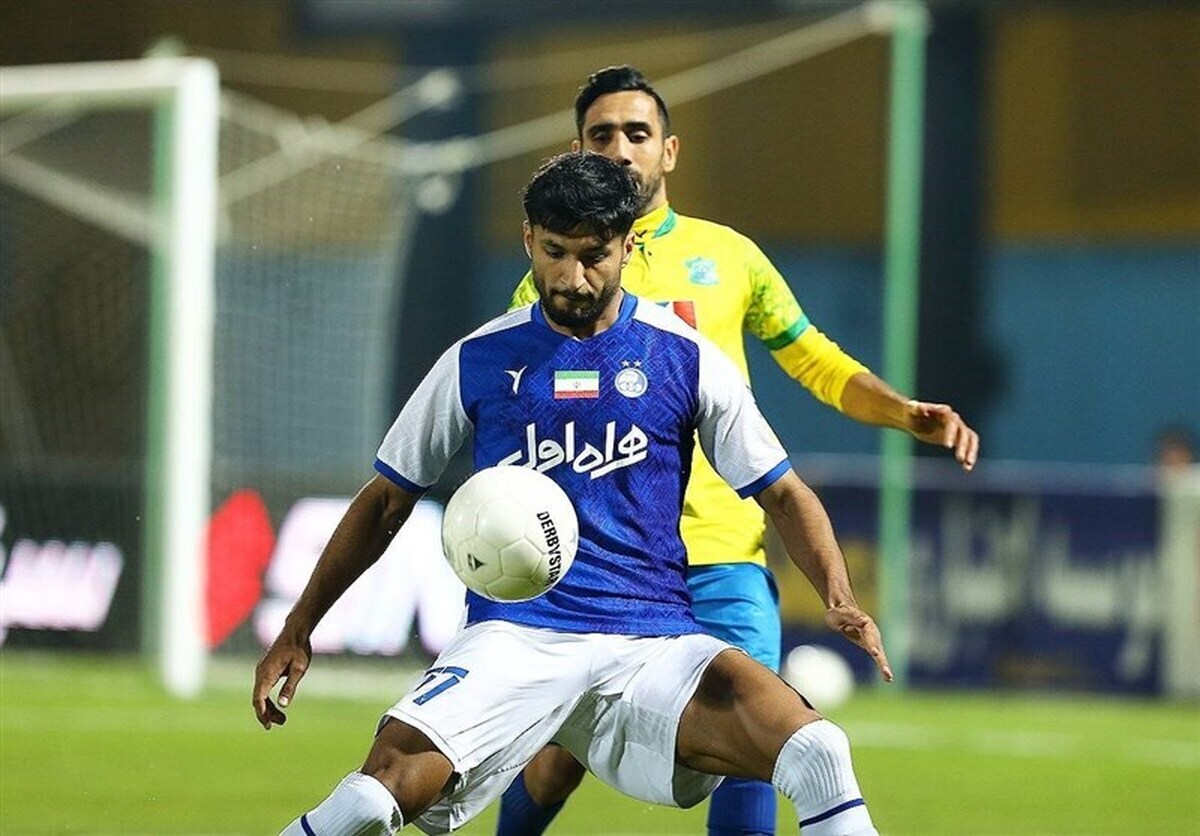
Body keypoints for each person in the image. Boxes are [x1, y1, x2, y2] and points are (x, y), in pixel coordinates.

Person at [253, 151, 891, 836]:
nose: (572, 276)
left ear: (628, 245)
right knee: (369, 802)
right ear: (529, 237)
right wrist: (299, 626)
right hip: (512, 640)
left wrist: (838, 596)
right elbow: (386, 499)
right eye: (555, 252)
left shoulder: (684, 355)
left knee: (820, 752)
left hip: (652, 643)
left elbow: (784, 493)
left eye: (595, 256)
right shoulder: (477, 359)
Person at [501, 66, 979, 836]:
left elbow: (813, 358)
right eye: (601, 135)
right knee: (561, 754)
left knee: (755, 738)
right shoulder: (554, 277)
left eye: (637, 133)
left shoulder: (728, 256)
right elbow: (527, 397)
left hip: (724, 552)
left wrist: (901, 412)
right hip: (609, 558)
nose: (620, 148)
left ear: (670, 150)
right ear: (578, 149)